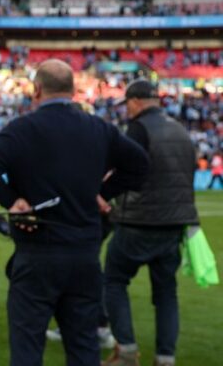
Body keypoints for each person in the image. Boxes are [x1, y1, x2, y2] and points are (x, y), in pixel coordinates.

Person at [0, 59, 150, 366]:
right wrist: (102, 194)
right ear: (73, 90)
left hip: (36, 254)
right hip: (84, 255)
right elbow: (140, 165)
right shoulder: (98, 128)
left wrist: (12, 200)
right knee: (83, 349)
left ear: (36, 89)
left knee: (27, 348)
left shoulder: (21, 129)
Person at [102, 79, 199, 366]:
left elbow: (126, 169)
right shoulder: (180, 129)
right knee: (166, 292)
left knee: (114, 281)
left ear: (135, 101)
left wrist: (103, 194)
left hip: (138, 221)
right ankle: (165, 357)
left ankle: (127, 352)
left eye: (127, 104)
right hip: (174, 224)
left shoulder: (139, 128)